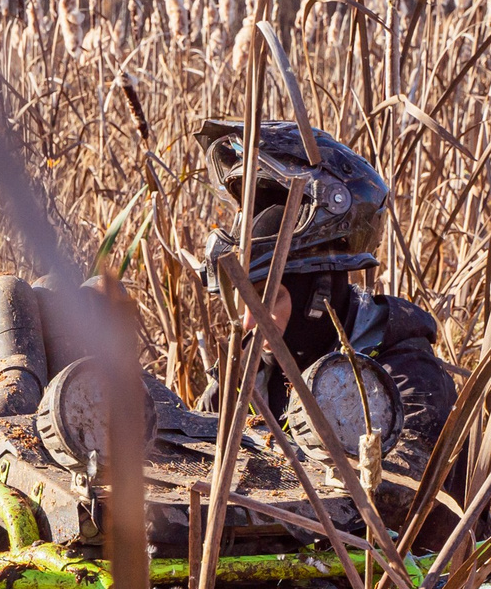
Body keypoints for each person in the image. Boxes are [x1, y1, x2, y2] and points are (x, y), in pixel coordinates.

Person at [193, 120, 457, 538]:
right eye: (241, 300)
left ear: (320, 294)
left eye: (268, 298)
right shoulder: (249, 369)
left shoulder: (404, 374)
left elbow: (394, 500)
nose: (248, 323)